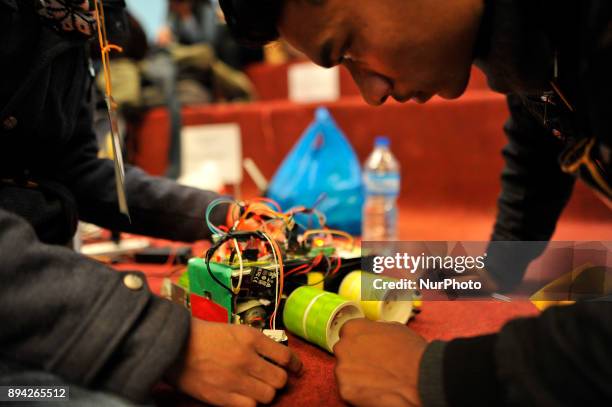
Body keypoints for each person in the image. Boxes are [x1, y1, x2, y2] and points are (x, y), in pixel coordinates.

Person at [218, 0, 612, 405]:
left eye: (350, 49)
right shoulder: (535, 42)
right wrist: (502, 262)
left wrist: (451, 374)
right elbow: (540, 118)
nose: (372, 94)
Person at [0, 1, 301, 406]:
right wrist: (161, 339)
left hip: (44, 292)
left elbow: (77, 172)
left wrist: (217, 212)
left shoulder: (74, 16)